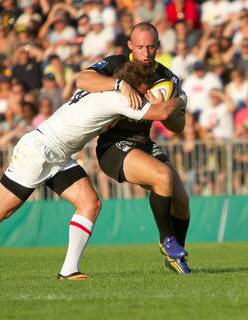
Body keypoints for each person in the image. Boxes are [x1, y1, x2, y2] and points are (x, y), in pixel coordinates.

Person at [0, 61, 186, 280]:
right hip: (39, 151)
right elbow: (163, 113)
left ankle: (69, 271)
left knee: (90, 203)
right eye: (147, 88)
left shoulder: (102, 88)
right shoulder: (120, 98)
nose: (149, 93)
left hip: (57, 154)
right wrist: (182, 98)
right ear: (138, 86)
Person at [76, 22, 191, 274]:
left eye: (151, 47)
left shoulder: (167, 78)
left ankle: (176, 256)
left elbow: (179, 126)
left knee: (181, 201)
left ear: (158, 46)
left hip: (143, 142)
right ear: (130, 45)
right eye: (140, 47)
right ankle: (166, 241)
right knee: (163, 177)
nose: (146, 53)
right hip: (113, 145)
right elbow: (83, 78)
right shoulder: (115, 63)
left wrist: (166, 110)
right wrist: (118, 84)